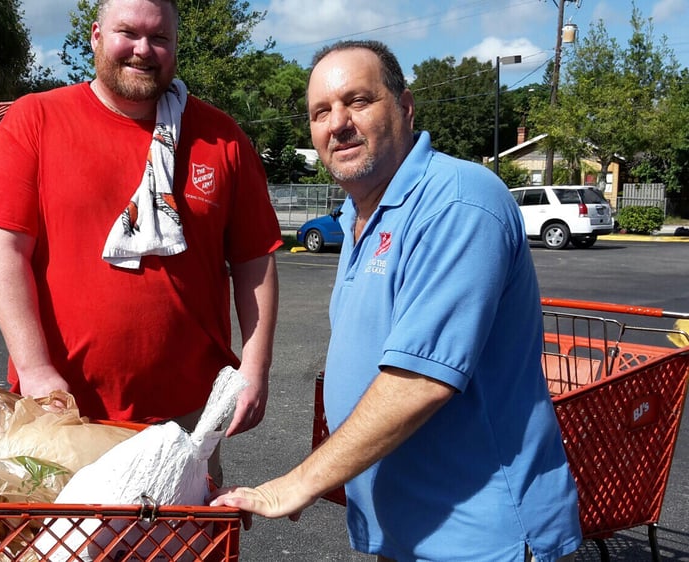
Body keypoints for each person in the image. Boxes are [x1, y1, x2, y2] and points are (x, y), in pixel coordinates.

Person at [211, 40, 582, 562]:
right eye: (321, 112)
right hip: (405, 528)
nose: (338, 123)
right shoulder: (360, 215)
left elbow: (420, 381)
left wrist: (299, 482)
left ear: (405, 107)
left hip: (480, 537)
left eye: (358, 101)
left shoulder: (457, 201)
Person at [0, 0, 281, 478]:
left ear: (175, 45)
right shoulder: (36, 120)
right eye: (127, 33)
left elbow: (254, 260)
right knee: (68, 531)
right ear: (96, 36)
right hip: (62, 411)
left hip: (187, 418)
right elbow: (4, 251)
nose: (143, 49)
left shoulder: (222, 138)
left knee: (183, 529)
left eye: (159, 37)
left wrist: (254, 369)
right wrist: (34, 370)